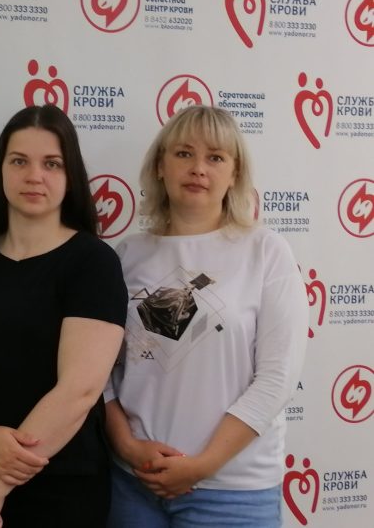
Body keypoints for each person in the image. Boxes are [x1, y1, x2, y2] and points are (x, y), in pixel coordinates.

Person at [0, 104, 128, 528]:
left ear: (70, 176)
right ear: (1, 171)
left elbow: (79, 390)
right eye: (19, 161)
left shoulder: (93, 263)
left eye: (52, 163)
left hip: (60, 491)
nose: (34, 176)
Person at [105, 105, 308, 528]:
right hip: (133, 485)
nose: (198, 168)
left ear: (235, 174)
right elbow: (101, 373)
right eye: (184, 153)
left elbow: (278, 377)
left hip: (233, 491)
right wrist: (126, 446)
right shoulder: (126, 255)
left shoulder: (266, 251)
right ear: (160, 166)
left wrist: (202, 465)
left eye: (215, 157)